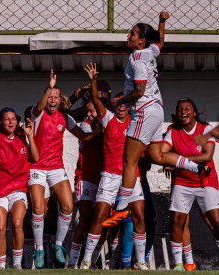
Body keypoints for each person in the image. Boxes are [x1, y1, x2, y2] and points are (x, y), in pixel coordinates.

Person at [102, 11, 210, 255]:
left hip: (144, 110)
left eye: (132, 33)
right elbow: (160, 42)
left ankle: (121, 208)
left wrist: (120, 99)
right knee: (156, 156)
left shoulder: (138, 57)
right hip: (157, 109)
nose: (128, 36)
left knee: (127, 160)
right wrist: (162, 22)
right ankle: (194, 166)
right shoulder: (150, 51)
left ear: (141, 40)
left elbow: (139, 91)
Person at [80, 64, 146, 270]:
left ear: (129, 105)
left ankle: (141, 261)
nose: (121, 106)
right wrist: (93, 80)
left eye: (125, 102)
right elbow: (97, 101)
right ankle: (86, 261)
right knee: (100, 216)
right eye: (118, 102)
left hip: (131, 176)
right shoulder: (108, 119)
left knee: (138, 216)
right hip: (109, 176)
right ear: (114, 105)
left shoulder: (137, 122)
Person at [29, 70, 96, 269]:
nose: (52, 100)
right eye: (50, 96)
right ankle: (39, 248)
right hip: (37, 168)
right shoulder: (37, 112)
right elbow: (40, 105)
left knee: (67, 207)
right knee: (39, 208)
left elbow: (82, 137)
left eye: (56, 97)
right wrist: (50, 85)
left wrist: (100, 131)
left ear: (60, 100)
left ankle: (58, 245)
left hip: (56, 168)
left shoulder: (64, 118)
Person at [161, 97, 219, 270]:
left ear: (194, 112)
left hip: (205, 181)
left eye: (187, 108)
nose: (183, 111)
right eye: (180, 109)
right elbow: (162, 153)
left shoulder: (205, 129)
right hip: (182, 181)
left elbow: (206, 156)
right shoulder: (172, 131)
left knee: (215, 220)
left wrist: (177, 160)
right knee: (177, 220)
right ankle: (180, 264)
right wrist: (167, 160)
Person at [0, 107, 39, 269]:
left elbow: (35, 158)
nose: (10, 122)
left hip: (18, 189)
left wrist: (30, 135)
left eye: (13, 119)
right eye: (7, 119)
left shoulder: (24, 137)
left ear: (17, 122)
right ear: (1, 122)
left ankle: (17, 265)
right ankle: (1, 266)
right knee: (1, 227)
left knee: (17, 224)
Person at [67, 100, 104, 269]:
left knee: (103, 221)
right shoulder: (85, 125)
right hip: (85, 178)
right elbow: (89, 138)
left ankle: (92, 260)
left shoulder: (107, 124)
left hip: (104, 179)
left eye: (92, 112)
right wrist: (101, 130)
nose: (88, 115)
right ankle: (73, 262)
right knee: (85, 218)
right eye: (87, 111)